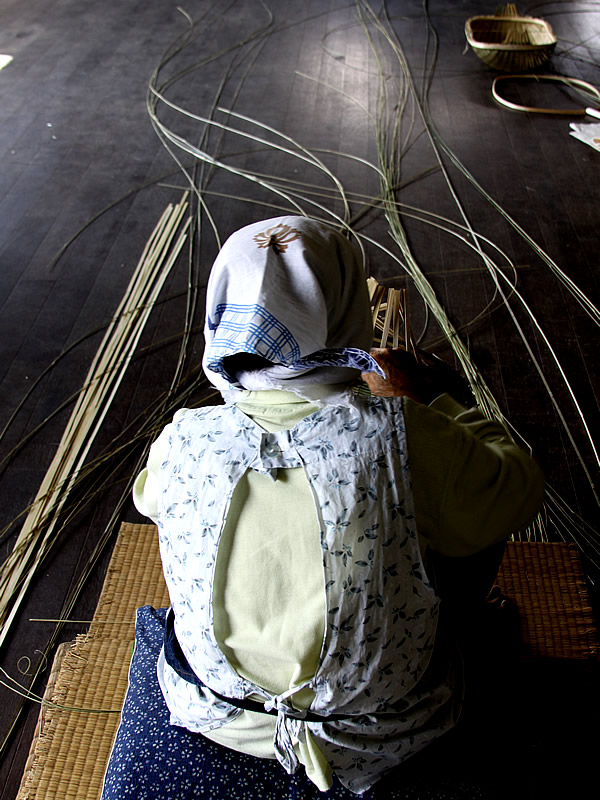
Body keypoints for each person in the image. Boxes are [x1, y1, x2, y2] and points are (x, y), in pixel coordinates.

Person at [132, 216, 544, 795]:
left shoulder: (183, 439)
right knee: (463, 509)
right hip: (386, 729)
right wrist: (440, 403)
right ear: (347, 306)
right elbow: (519, 486)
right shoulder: (406, 435)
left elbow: (148, 497)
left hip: (213, 709)